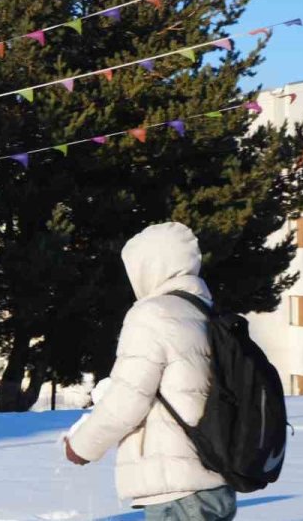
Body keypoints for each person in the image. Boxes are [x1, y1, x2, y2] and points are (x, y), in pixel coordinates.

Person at [63, 222, 236, 520]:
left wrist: (82, 446)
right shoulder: (204, 312)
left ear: (151, 266)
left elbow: (128, 399)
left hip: (180, 490)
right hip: (214, 481)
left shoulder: (153, 314)